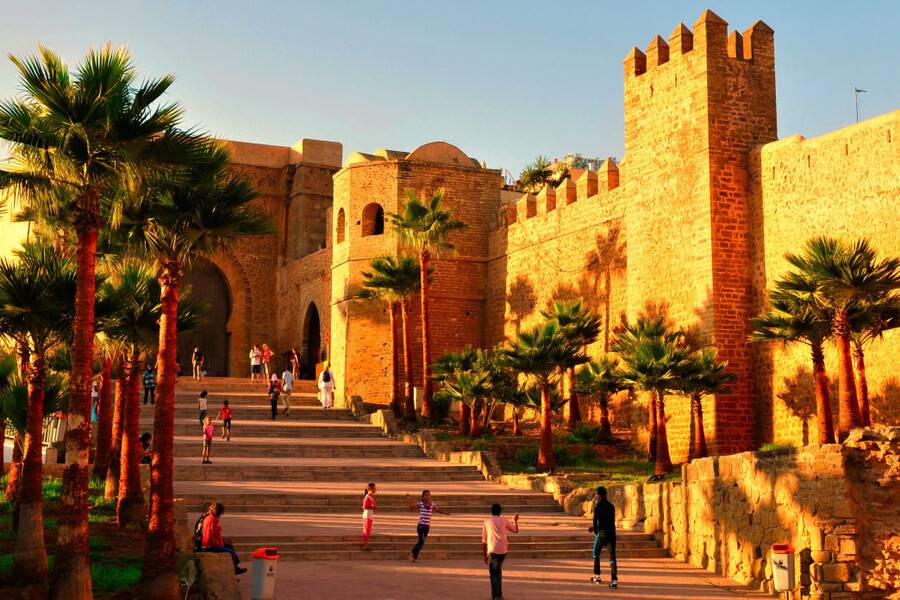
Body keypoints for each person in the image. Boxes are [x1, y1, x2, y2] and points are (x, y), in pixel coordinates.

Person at [482, 503, 519, 600]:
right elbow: (515, 530)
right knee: (498, 571)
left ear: (491, 512)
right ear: (500, 512)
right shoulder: (504, 520)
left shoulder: (486, 522)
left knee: (494, 574)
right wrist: (515, 521)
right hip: (503, 550)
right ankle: (500, 595)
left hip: (492, 551)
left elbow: (484, 541)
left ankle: (496, 596)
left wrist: (484, 555)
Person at [201, 503, 247, 575]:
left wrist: (224, 541)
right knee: (231, 553)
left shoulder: (210, 518)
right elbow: (212, 537)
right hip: (210, 546)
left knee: (229, 546)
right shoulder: (212, 520)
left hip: (211, 543)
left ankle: (235, 567)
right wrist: (222, 542)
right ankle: (233, 569)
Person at [406, 490, 450, 562]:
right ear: (423, 497)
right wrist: (409, 499)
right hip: (421, 526)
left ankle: (414, 557)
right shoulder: (421, 504)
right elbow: (411, 508)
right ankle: (412, 553)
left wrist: (445, 513)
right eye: (426, 495)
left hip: (427, 527)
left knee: (421, 542)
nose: (428, 496)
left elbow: (438, 510)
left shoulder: (432, 504)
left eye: (429, 495)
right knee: (421, 541)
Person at [589, 486, 618, 588]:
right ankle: (614, 581)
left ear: (598, 495)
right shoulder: (611, 506)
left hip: (602, 534)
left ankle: (597, 576)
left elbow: (595, 521)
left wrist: (596, 532)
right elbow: (611, 521)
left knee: (596, 553)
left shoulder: (598, 506)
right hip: (612, 534)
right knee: (612, 557)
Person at [362, 482, 377, 551]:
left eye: (374, 488)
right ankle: (365, 546)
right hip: (367, 515)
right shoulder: (367, 497)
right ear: (369, 489)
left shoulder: (370, 496)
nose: (374, 489)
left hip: (370, 514)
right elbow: (364, 506)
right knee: (366, 530)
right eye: (373, 488)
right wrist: (372, 507)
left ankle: (366, 545)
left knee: (368, 530)